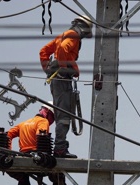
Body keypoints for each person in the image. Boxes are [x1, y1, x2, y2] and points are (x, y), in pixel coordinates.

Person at [39, 15, 93, 159]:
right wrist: (65, 67)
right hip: (62, 80)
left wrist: (48, 70)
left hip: (57, 80)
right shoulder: (73, 35)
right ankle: (60, 149)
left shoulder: (63, 35)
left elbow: (43, 52)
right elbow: (63, 49)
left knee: (61, 114)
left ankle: (60, 146)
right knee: (63, 116)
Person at [6, 102, 72, 185]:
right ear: (48, 113)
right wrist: (44, 154)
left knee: (23, 177)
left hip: (23, 158)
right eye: (52, 118)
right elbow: (41, 135)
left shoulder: (24, 123)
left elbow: (8, 134)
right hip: (38, 158)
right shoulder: (43, 121)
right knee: (59, 173)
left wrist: (8, 151)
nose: (51, 122)